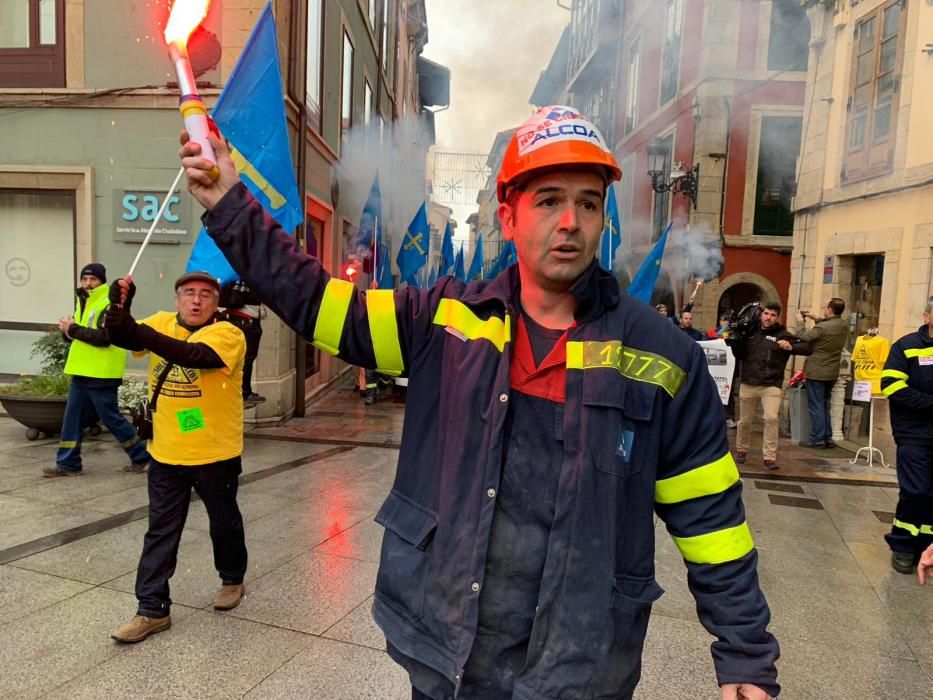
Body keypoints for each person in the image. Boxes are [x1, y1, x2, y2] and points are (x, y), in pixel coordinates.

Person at [178, 105, 779, 699]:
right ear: (509, 215)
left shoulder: (664, 355)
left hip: (580, 665)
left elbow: (712, 519)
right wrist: (230, 203)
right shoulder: (444, 319)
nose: (569, 220)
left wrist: (745, 655)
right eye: (548, 200)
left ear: (603, 221)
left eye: (588, 203)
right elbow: (320, 304)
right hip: (450, 650)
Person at [105, 271, 248, 643]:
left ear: (216, 303)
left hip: (215, 452)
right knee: (161, 531)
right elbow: (120, 336)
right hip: (167, 451)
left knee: (223, 522)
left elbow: (194, 355)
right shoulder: (159, 322)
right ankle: (151, 610)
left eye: (205, 295)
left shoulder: (229, 334)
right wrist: (119, 307)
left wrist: (136, 331)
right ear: (177, 299)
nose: (196, 301)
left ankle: (232, 578)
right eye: (188, 294)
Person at [43, 262, 151, 477]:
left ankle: (142, 456)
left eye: (92, 279)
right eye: (84, 279)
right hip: (83, 369)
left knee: (112, 419)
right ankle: (68, 464)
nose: (87, 283)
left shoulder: (108, 301)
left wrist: (72, 329)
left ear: (101, 280)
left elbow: (105, 338)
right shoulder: (84, 301)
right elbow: (81, 336)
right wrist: (68, 331)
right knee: (72, 418)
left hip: (102, 372)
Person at [879, 296, 933, 575]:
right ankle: (902, 545)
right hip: (913, 434)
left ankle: (926, 547)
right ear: (927, 316)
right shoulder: (908, 346)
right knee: (916, 490)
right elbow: (891, 386)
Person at [727, 302, 811, 470]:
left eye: (773, 315)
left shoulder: (782, 334)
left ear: (777, 317)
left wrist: (791, 346)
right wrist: (736, 340)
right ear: (761, 314)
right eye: (766, 313)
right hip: (749, 382)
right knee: (744, 421)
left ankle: (769, 457)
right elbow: (739, 353)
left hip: (771, 384)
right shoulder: (751, 331)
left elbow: (808, 347)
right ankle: (742, 449)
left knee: (771, 418)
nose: (768, 317)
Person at [795, 298, 847, 448]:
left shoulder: (823, 328)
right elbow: (829, 326)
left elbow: (803, 336)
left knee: (816, 406)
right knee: (824, 405)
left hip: (817, 370)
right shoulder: (843, 324)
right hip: (831, 372)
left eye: (826, 307)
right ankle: (827, 437)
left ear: (830, 310)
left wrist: (800, 321)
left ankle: (817, 439)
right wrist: (816, 318)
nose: (824, 308)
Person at [220, 279, 265, 407]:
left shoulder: (231, 275)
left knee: (238, 358)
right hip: (247, 321)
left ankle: (237, 391)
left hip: (234, 319)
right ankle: (245, 393)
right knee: (247, 358)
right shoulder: (248, 275)